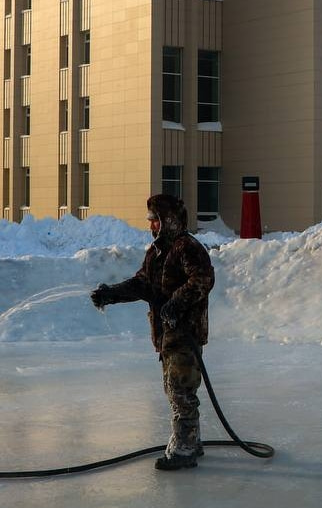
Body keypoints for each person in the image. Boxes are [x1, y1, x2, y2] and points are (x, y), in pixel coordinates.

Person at [90, 194, 215, 470]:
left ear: (168, 220)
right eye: (151, 221)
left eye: (155, 220)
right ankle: (191, 440)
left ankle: (185, 449)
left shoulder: (187, 248)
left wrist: (176, 304)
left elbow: (202, 279)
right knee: (174, 390)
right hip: (166, 334)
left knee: (180, 390)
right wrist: (110, 294)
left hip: (185, 333)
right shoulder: (157, 253)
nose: (152, 226)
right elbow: (142, 283)